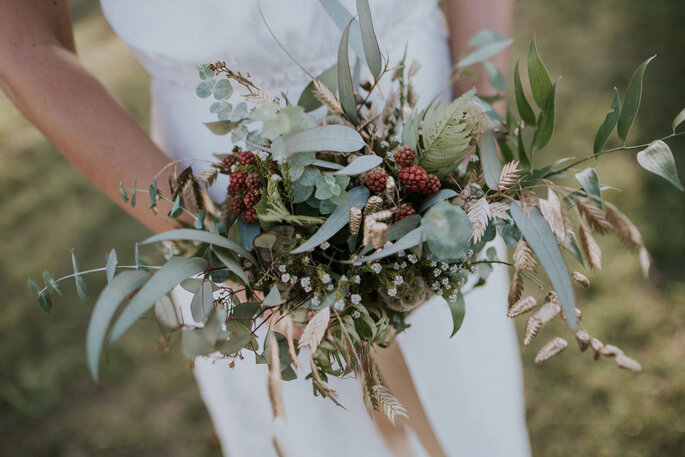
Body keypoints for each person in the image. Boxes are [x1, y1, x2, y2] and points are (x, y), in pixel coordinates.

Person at [0, 1, 529, 456]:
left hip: (428, 129)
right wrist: (208, 235)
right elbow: (23, 43)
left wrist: (477, 124)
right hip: (229, 195)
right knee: (311, 425)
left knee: (467, 396)